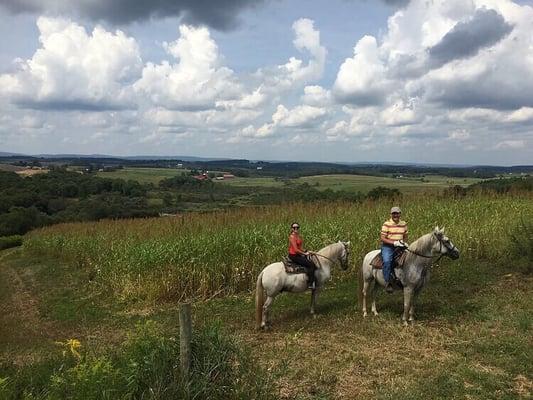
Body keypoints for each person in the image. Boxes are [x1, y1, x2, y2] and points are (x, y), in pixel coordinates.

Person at [380, 206, 409, 293]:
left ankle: (407, 279)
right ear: (391, 214)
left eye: (397, 213)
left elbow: (405, 235)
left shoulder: (403, 224)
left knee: (410, 258)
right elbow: (382, 238)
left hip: (400, 246)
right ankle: (388, 282)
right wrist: (393, 243)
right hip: (388, 246)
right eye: (393, 213)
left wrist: (403, 243)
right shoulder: (386, 224)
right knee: (387, 261)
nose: (395, 215)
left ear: (400, 214)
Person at [288, 222, 317, 289]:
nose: (296, 229)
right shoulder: (292, 237)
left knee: (312, 261)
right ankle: (310, 283)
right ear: (292, 229)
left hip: (298, 254)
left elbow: (300, 248)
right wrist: (304, 254)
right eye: (294, 227)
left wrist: (307, 251)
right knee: (311, 264)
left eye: (297, 227)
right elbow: (295, 250)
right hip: (294, 256)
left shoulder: (298, 236)